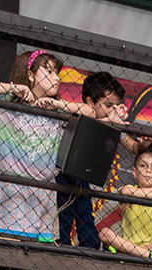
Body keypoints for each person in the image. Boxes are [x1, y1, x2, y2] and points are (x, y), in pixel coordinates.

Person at [0, 50, 83, 239]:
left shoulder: (58, 109)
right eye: (48, 72)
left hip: (43, 193)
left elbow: (91, 113)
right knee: (0, 244)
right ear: (30, 75)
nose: (56, 78)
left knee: (40, 248)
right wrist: (13, 88)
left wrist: (60, 105)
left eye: (57, 73)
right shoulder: (7, 100)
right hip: (9, 190)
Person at [56, 71, 130, 249]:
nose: (112, 110)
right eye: (108, 105)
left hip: (82, 174)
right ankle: (63, 242)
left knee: (85, 209)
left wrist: (141, 144)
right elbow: (88, 120)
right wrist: (109, 120)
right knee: (65, 209)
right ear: (90, 101)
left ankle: (89, 244)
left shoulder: (112, 121)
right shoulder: (79, 112)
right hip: (62, 172)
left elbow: (129, 142)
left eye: (116, 106)